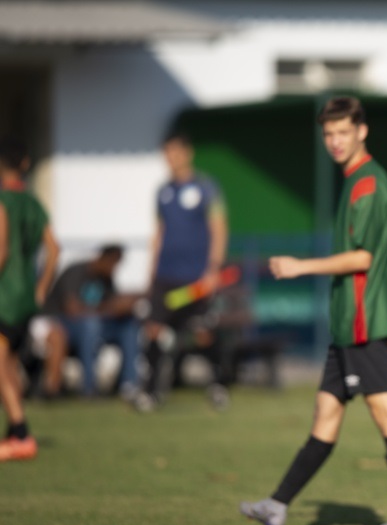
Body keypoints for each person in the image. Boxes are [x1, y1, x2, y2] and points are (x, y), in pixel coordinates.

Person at [239, 97, 387, 525]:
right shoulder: (353, 180)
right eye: (329, 134)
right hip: (350, 323)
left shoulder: (368, 182)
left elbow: (365, 257)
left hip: (365, 322)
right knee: (325, 417)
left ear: (361, 132)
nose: (335, 141)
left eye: (343, 132)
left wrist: (301, 266)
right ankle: (277, 505)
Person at [135, 132, 229, 412]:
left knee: (201, 332)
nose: (171, 159)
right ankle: (151, 392)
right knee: (153, 329)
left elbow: (219, 228)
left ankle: (218, 384)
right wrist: (151, 272)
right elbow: (159, 233)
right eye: (167, 153)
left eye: (175, 153)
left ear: (187, 153)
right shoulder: (163, 192)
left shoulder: (206, 188)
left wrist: (213, 269)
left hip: (196, 276)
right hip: (166, 275)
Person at [0, 137, 59, 461]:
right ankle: (12, 432)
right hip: (26, 297)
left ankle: (21, 434)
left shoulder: (3, 201)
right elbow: (54, 248)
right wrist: (41, 285)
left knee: (0, 364)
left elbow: (1, 249)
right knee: (8, 363)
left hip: (4, 296)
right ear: (25, 164)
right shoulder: (34, 204)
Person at [42, 245, 141, 398]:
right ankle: (89, 387)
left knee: (129, 327)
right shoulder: (76, 272)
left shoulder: (107, 279)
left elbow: (111, 305)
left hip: (98, 326)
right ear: (102, 259)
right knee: (91, 325)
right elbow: (73, 309)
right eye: (112, 264)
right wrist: (111, 308)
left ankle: (128, 385)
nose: (113, 269)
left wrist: (123, 308)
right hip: (66, 326)